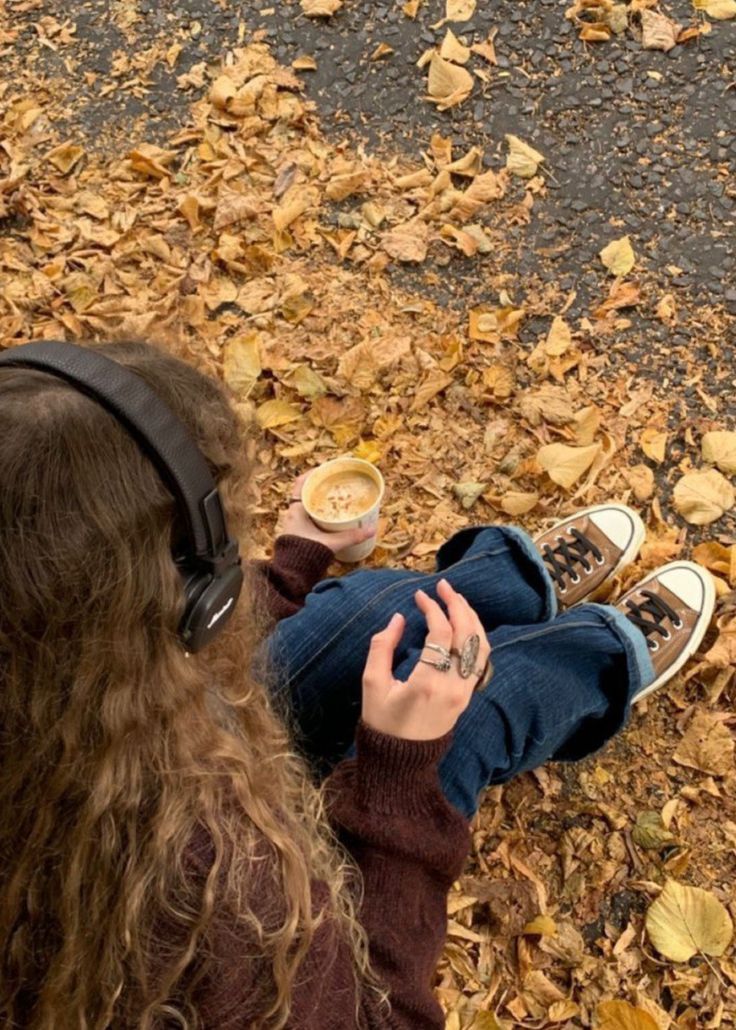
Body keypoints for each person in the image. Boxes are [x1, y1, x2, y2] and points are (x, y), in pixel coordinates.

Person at [0, 339, 714, 1030]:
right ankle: (599, 658)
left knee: (364, 615)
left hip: (165, 718)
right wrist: (401, 768)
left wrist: (288, 570)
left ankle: (511, 585)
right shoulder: (215, 903)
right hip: (192, 842)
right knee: (472, 716)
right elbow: (382, 1013)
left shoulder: (40, 658)